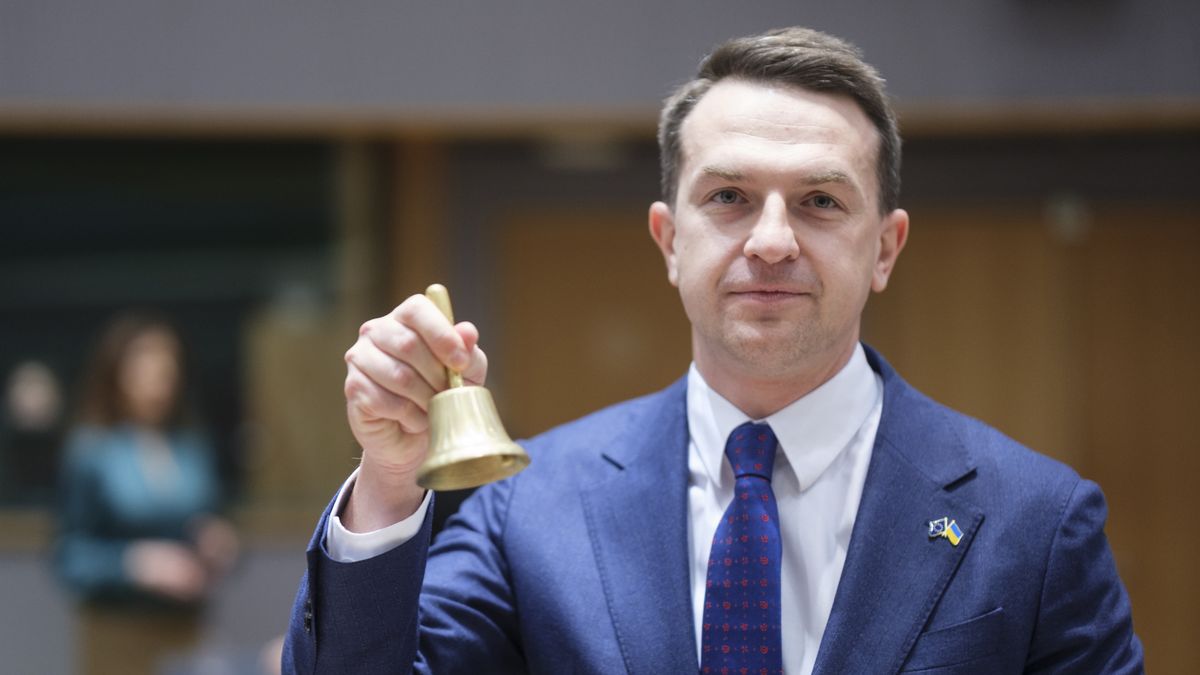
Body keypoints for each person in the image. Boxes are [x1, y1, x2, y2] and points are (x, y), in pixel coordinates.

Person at [284, 27, 1142, 674]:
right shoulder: (527, 512)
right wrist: (392, 479)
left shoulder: (1039, 521)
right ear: (668, 239)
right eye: (729, 195)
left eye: (819, 201)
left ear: (885, 247)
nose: (771, 241)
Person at [56, 314, 239, 675]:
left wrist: (218, 541)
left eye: (167, 367)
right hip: (119, 630)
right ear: (118, 374)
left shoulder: (190, 446)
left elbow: (210, 522)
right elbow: (69, 556)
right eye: (147, 366)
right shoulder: (93, 450)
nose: (160, 379)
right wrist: (134, 564)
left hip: (187, 624)